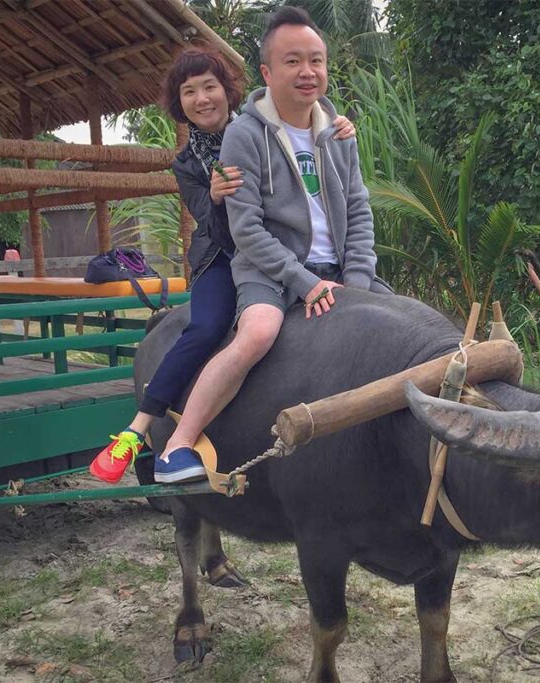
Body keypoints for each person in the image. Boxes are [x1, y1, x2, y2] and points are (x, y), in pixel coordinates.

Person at [89, 45, 356, 483]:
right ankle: (139, 430)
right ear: (181, 103)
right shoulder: (187, 162)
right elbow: (208, 220)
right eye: (189, 91)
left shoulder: (260, 131)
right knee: (207, 326)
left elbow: (308, 140)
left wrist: (336, 125)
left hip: (276, 250)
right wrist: (213, 197)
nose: (202, 98)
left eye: (209, 86)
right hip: (223, 255)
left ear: (227, 91)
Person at [155, 6, 390, 481]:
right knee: (258, 333)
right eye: (293, 61)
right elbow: (246, 230)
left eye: (317, 60)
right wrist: (304, 283)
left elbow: (360, 211)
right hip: (271, 273)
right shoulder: (244, 135)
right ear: (267, 71)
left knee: (403, 323)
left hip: (342, 270)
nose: (308, 72)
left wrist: (359, 282)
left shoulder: (339, 133)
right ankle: (178, 445)